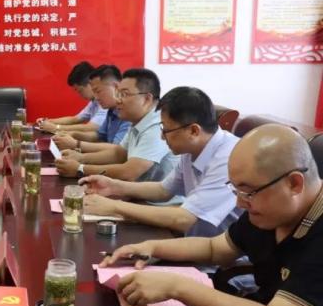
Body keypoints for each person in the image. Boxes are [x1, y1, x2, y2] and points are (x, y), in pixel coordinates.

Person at [103, 125, 323, 306]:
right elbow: (214, 248)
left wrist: (177, 287)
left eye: (248, 192)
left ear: (294, 183)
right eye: (236, 189)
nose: (239, 202)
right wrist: (151, 247)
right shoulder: (272, 209)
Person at [79, 87, 241, 235]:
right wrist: (114, 186)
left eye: (166, 130)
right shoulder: (192, 148)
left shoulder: (229, 159)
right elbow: (163, 190)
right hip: (195, 242)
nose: (162, 137)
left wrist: (114, 207)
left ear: (193, 131)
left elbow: (184, 219)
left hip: (216, 254)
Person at [55, 68, 177, 182]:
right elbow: (118, 153)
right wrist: (81, 158)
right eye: (118, 94)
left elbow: (129, 172)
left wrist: (80, 169)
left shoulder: (157, 126)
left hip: (152, 198)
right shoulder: (138, 120)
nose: (118, 100)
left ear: (147, 99)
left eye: (124, 94)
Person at [52, 65, 130, 145]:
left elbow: (116, 149)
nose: (96, 97)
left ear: (116, 87)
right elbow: (99, 136)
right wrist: (75, 135)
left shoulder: (129, 113)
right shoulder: (111, 110)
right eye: (94, 92)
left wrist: (77, 145)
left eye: (98, 91)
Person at [36, 61, 106, 134]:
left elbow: (92, 127)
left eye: (80, 91)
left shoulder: (104, 101)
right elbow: (76, 119)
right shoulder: (94, 101)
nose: (79, 95)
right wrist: (48, 121)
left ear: (90, 84)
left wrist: (56, 128)